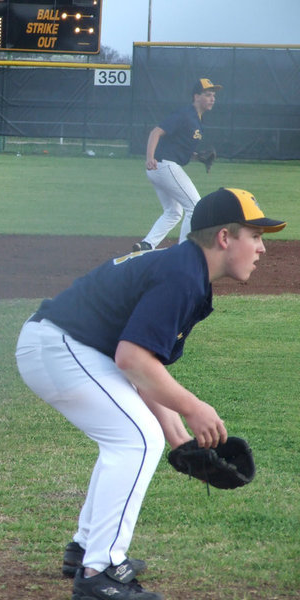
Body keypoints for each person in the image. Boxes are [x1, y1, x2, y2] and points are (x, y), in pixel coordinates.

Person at [15, 188, 285, 600]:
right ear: (225, 238)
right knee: (136, 439)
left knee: (139, 437)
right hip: (59, 345)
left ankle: (86, 548)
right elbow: (132, 359)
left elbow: (145, 372)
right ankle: (99, 573)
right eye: (256, 235)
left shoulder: (187, 270)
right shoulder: (183, 274)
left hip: (65, 345)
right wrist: (194, 408)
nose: (262, 248)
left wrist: (179, 437)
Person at [133, 78, 222, 252]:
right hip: (163, 165)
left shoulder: (197, 120)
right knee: (195, 207)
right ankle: (184, 251)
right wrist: (149, 157)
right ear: (196, 96)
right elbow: (156, 132)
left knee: (173, 212)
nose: (212, 98)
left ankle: (146, 244)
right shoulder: (185, 114)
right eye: (208, 94)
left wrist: (198, 157)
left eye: (213, 95)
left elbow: (177, 148)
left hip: (162, 168)